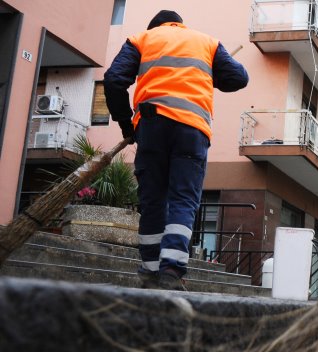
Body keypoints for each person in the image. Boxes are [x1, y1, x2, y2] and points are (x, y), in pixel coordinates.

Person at [104, 10, 249, 290]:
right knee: (183, 199)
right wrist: (209, 75)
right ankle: (171, 270)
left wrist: (126, 125)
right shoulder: (208, 43)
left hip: (152, 127)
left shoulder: (141, 39)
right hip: (192, 130)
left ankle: (149, 269)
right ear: (179, 24)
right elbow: (239, 78)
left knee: (153, 200)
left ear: (155, 27)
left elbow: (113, 80)